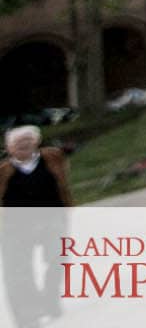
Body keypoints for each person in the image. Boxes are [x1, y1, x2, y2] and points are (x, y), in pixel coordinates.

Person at [2, 125, 73, 327]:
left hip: (52, 218)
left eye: (28, 139)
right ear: (9, 148)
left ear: (37, 141)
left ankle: (50, 299)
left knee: (59, 258)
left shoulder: (52, 158)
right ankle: (27, 314)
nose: (23, 144)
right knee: (18, 271)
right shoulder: (3, 171)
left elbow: (64, 172)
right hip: (15, 226)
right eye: (18, 142)